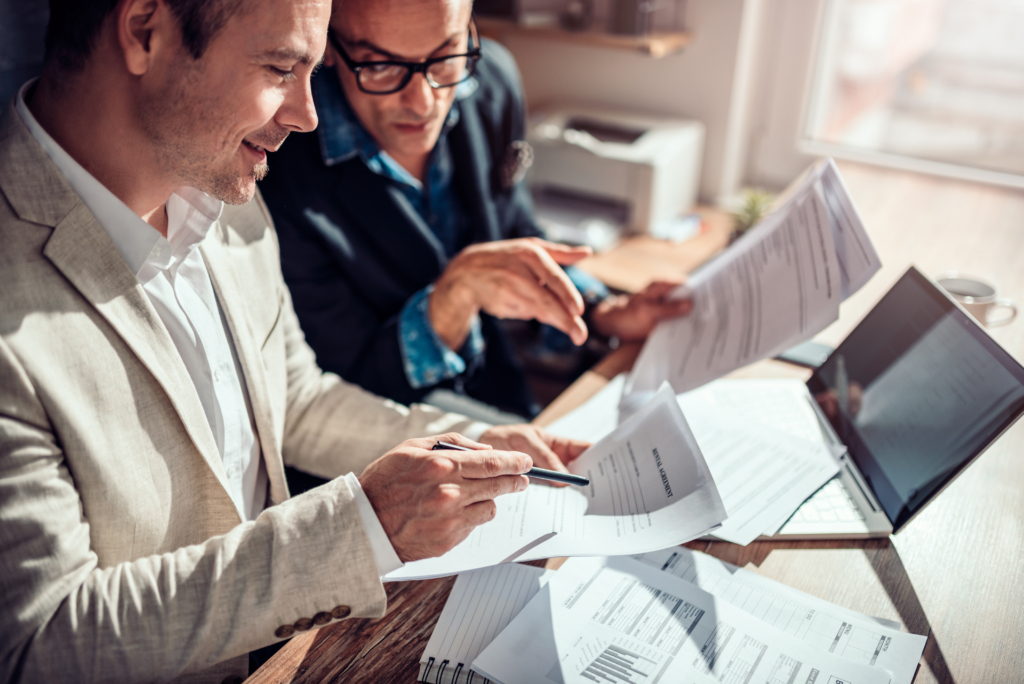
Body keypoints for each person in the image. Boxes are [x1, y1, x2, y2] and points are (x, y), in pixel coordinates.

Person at [0, 0, 588, 681]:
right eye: (282, 67)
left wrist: (466, 443)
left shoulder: (227, 202)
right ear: (144, 32)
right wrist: (359, 532)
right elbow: (39, 643)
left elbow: (297, 401)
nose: (308, 115)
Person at [258, 0, 693, 421]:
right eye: (380, 65)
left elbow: (513, 232)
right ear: (328, 46)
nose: (423, 102)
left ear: (468, 27)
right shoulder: (275, 163)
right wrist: (450, 302)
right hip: (389, 433)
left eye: (445, 56)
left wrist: (602, 311)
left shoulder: (492, 79)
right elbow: (333, 394)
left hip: (502, 389)